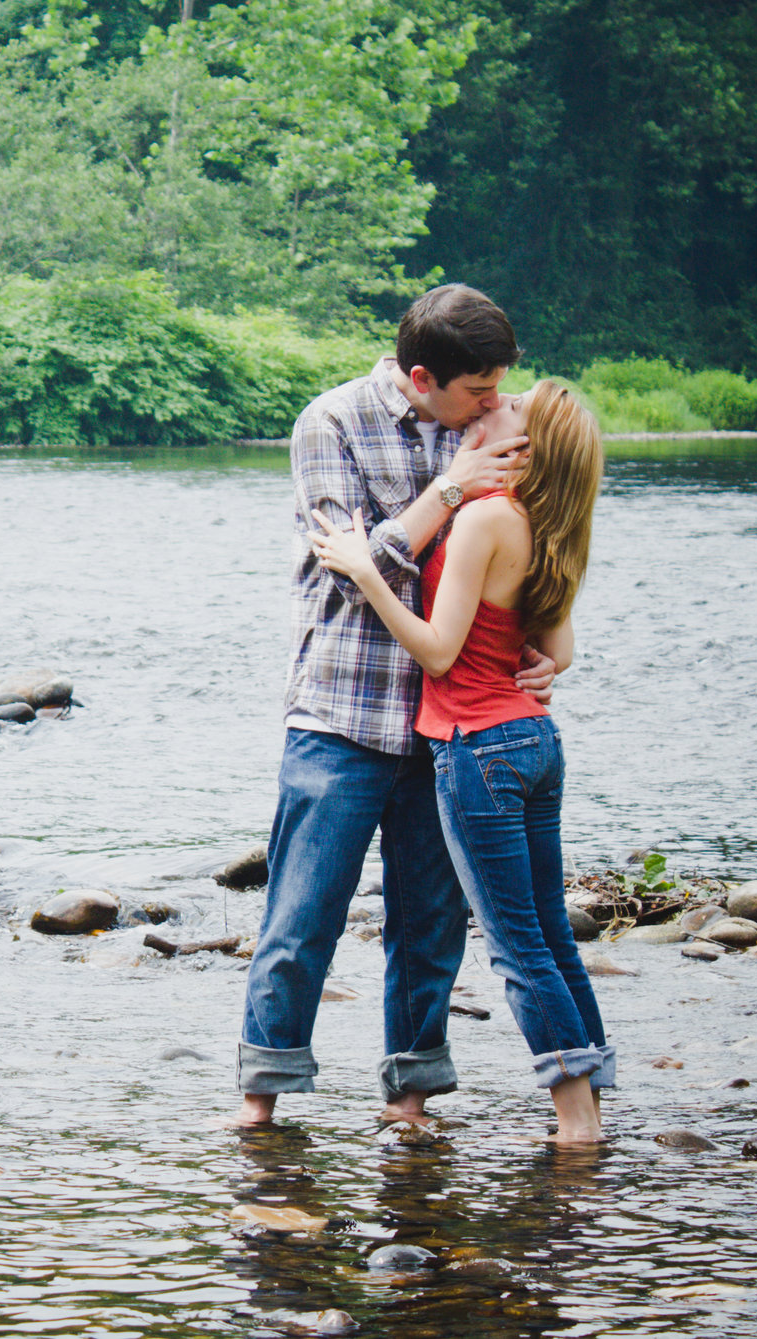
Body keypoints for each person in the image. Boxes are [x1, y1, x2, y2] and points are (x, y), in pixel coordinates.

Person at [234, 284, 553, 1131]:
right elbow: (349, 565)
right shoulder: (330, 423)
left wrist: (545, 641)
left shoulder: (486, 418)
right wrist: (447, 489)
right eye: (479, 391)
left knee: (429, 925)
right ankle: (260, 1100)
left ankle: (409, 1098)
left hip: (449, 726)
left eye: (498, 388)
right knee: (303, 913)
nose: (495, 404)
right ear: (422, 376)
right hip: (340, 712)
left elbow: (533, 535)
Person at [308, 381, 612, 1142]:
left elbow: (440, 651)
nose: (496, 400)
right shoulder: (550, 519)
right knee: (550, 932)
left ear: (525, 444)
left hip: (478, 746)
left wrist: (365, 568)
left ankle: (575, 1120)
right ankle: (590, 1106)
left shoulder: (483, 519)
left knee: (516, 945)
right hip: (536, 743)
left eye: (514, 403)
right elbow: (561, 650)